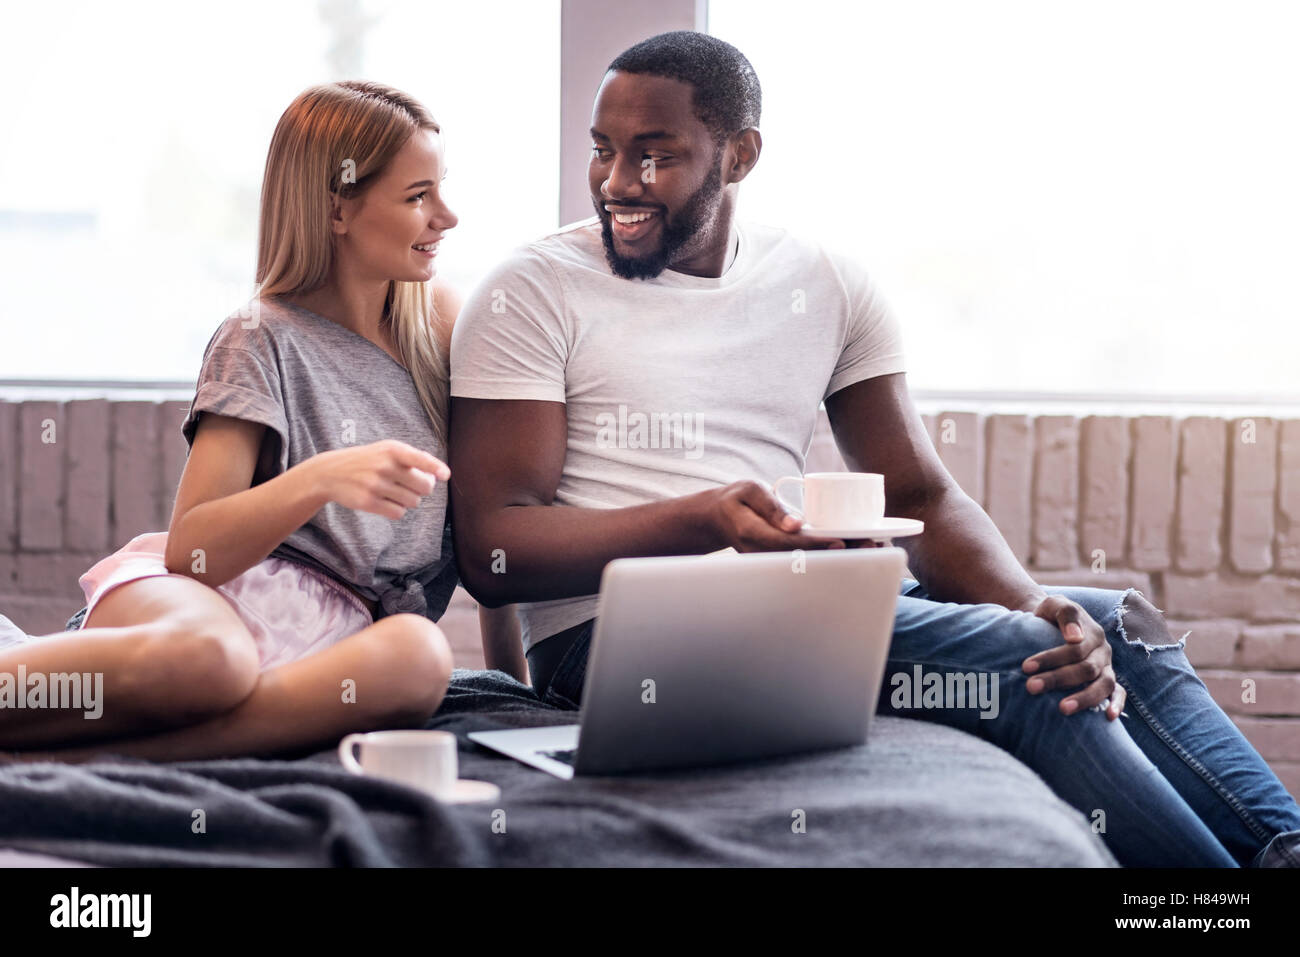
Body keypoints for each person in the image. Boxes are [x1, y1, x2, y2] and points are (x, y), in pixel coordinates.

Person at [447, 30, 1300, 867]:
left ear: (738, 155)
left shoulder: (823, 284)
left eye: (654, 154)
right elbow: (493, 548)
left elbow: (921, 498)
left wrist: (1036, 601)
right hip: (609, 641)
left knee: (1108, 624)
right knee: (1021, 664)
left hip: (794, 608)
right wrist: (704, 520)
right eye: (603, 150)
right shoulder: (532, 291)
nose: (616, 182)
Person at [0, 80, 517, 761]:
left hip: (340, 637)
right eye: (418, 196)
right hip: (203, 602)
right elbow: (195, 550)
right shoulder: (260, 336)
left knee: (421, 653)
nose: (446, 216)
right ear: (338, 208)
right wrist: (320, 478)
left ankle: (78, 756)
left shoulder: (443, 327)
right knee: (212, 660)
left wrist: (518, 687)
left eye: (440, 188)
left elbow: (490, 526)